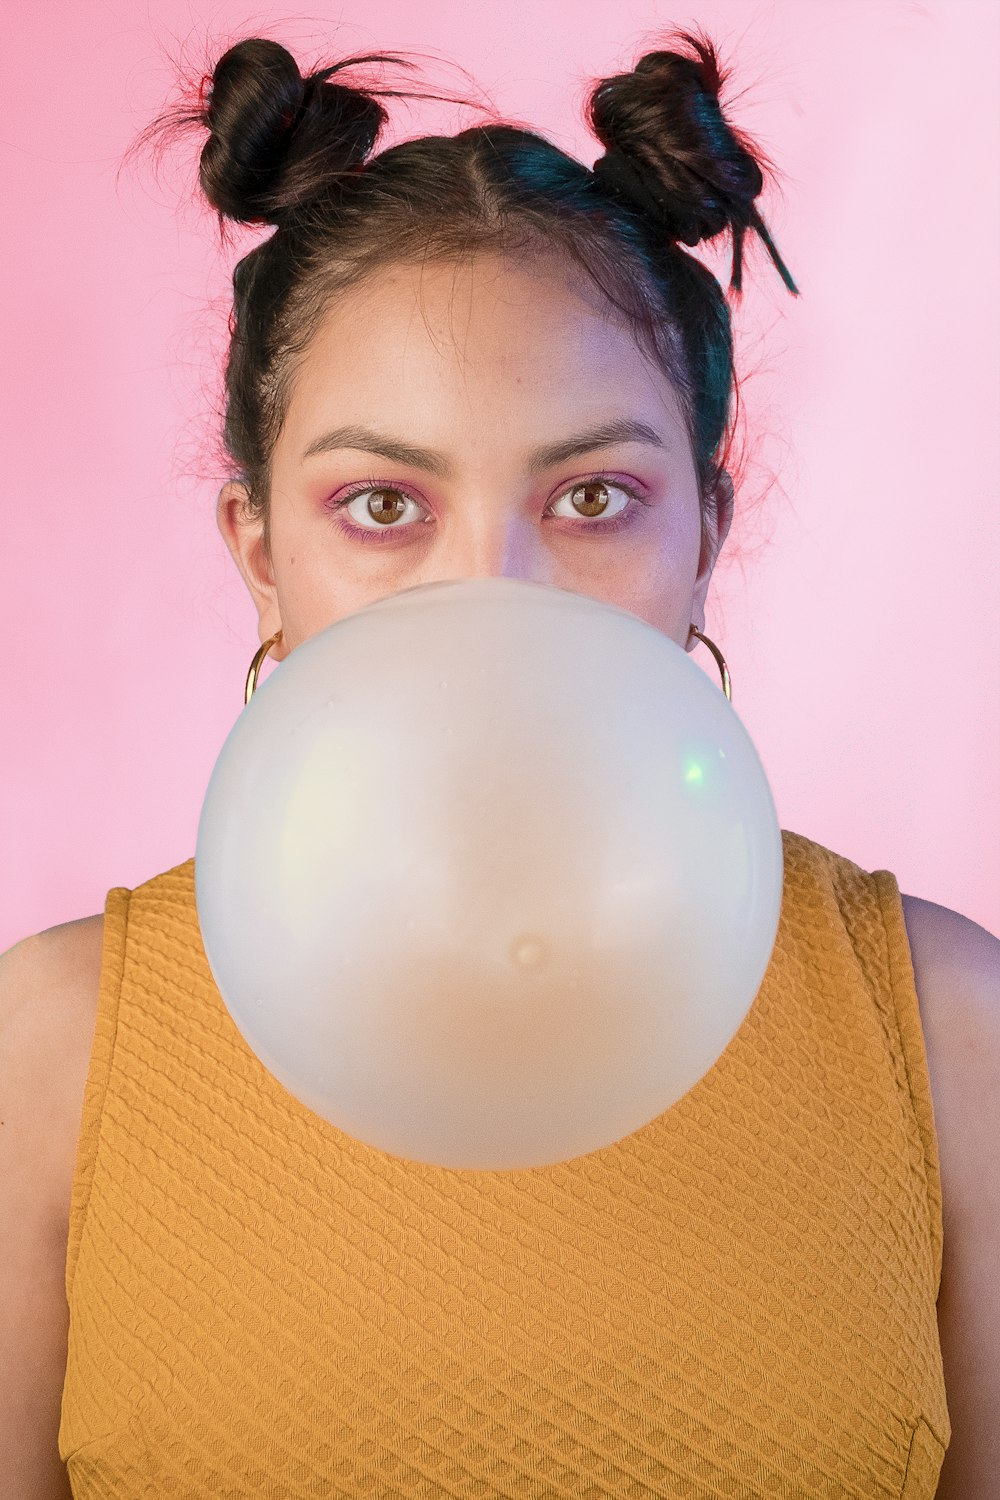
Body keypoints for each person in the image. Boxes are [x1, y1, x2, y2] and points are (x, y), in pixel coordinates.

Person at [1, 29, 997, 1500]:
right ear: (263, 556)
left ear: (707, 541)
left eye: (595, 495)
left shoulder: (949, 1033)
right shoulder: (52, 1049)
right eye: (382, 503)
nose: (496, 594)